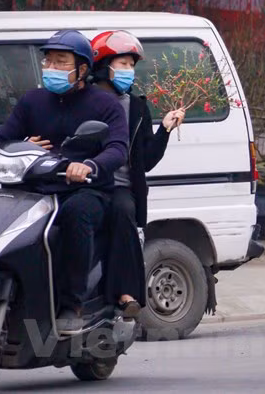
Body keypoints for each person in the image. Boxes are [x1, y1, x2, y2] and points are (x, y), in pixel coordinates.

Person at [0, 30, 129, 333]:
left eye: (61, 61)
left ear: (82, 69)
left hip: (84, 190)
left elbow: (118, 148)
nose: (51, 66)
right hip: (34, 188)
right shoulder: (32, 101)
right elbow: (1, 138)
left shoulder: (104, 104)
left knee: (77, 213)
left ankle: (71, 302)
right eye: (48, 60)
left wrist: (88, 165)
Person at [90, 30, 185, 318]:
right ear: (104, 67)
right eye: (122, 64)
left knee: (123, 212)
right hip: (86, 183)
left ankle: (125, 293)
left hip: (120, 188)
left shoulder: (138, 107)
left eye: (131, 66)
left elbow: (145, 162)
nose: (128, 71)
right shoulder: (84, 101)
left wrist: (165, 129)